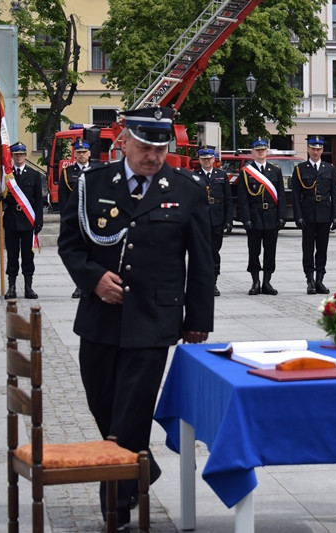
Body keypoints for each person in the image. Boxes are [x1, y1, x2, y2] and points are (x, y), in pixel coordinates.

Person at [57, 106, 214, 530]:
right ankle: (141, 465)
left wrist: (198, 318)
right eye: (145, 147)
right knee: (102, 401)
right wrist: (92, 279)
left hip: (154, 319)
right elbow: (69, 244)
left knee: (132, 410)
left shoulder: (186, 189)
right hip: (100, 317)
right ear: (124, 141)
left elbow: (203, 261)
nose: (153, 157)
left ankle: (118, 500)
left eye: (160, 149)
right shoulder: (93, 184)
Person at [292, 135, 336, 294]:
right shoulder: (300, 169)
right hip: (307, 214)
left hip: (324, 213)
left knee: (322, 248)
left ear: (322, 150)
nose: (315, 152)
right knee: (308, 249)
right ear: (308, 149)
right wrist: (298, 216)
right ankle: (310, 280)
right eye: (313, 149)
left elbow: (334, 194)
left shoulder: (329, 168)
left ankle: (320, 279)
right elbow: (296, 195)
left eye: (318, 149)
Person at [237, 138, 285, 295]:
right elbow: (242, 199)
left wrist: (281, 216)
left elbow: (281, 196)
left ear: (267, 151)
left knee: (270, 251)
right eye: (257, 150)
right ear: (252, 152)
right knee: (254, 251)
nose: (260, 152)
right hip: (254, 216)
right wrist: (246, 219)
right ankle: (255, 282)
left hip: (271, 215)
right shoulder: (246, 172)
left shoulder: (275, 170)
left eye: (263, 150)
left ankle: (267, 282)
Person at [2, 142, 43, 299]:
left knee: (28, 256)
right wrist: (0, 198)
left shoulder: (34, 175)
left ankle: (28, 287)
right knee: (12, 256)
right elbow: (2, 198)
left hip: (28, 221)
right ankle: (11, 287)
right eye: (16, 154)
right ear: (12, 156)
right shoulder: (7, 175)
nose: (19, 157)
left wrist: (39, 221)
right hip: (11, 221)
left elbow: (38, 201)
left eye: (21, 154)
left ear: (25, 155)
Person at [195, 146, 233, 297]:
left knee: (214, 252)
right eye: (203, 159)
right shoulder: (194, 176)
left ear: (213, 160)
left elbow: (228, 200)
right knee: (200, 253)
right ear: (199, 160)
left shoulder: (221, 175)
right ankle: (202, 283)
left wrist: (228, 221)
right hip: (200, 219)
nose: (206, 161)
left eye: (209, 159)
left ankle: (213, 282)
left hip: (217, 219)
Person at [60, 140, 92, 298]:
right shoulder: (67, 172)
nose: (82, 155)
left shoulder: (97, 171)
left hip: (92, 219)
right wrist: (66, 220)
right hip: (76, 219)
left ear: (89, 153)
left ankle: (92, 284)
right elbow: (63, 199)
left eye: (84, 152)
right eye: (79, 152)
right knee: (78, 252)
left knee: (93, 252)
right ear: (75, 154)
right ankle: (79, 285)